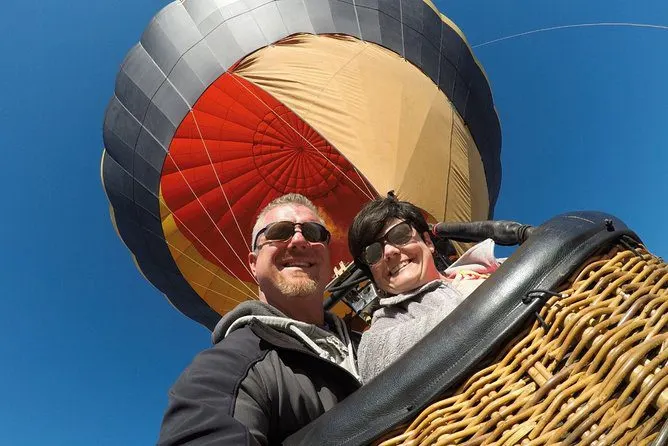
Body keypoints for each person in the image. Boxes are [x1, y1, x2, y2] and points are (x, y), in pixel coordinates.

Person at [158, 193, 360, 445]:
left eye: (313, 232)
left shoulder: (367, 340)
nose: (299, 240)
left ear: (328, 259)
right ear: (253, 264)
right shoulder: (229, 368)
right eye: (279, 231)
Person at [348, 195, 501, 383]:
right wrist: (496, 294)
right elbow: (372, 365)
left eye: (399, 234)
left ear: (428, 242)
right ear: (374, 276)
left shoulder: (490, 266)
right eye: (373, 252)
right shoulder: (387, 323)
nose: (389, 252)